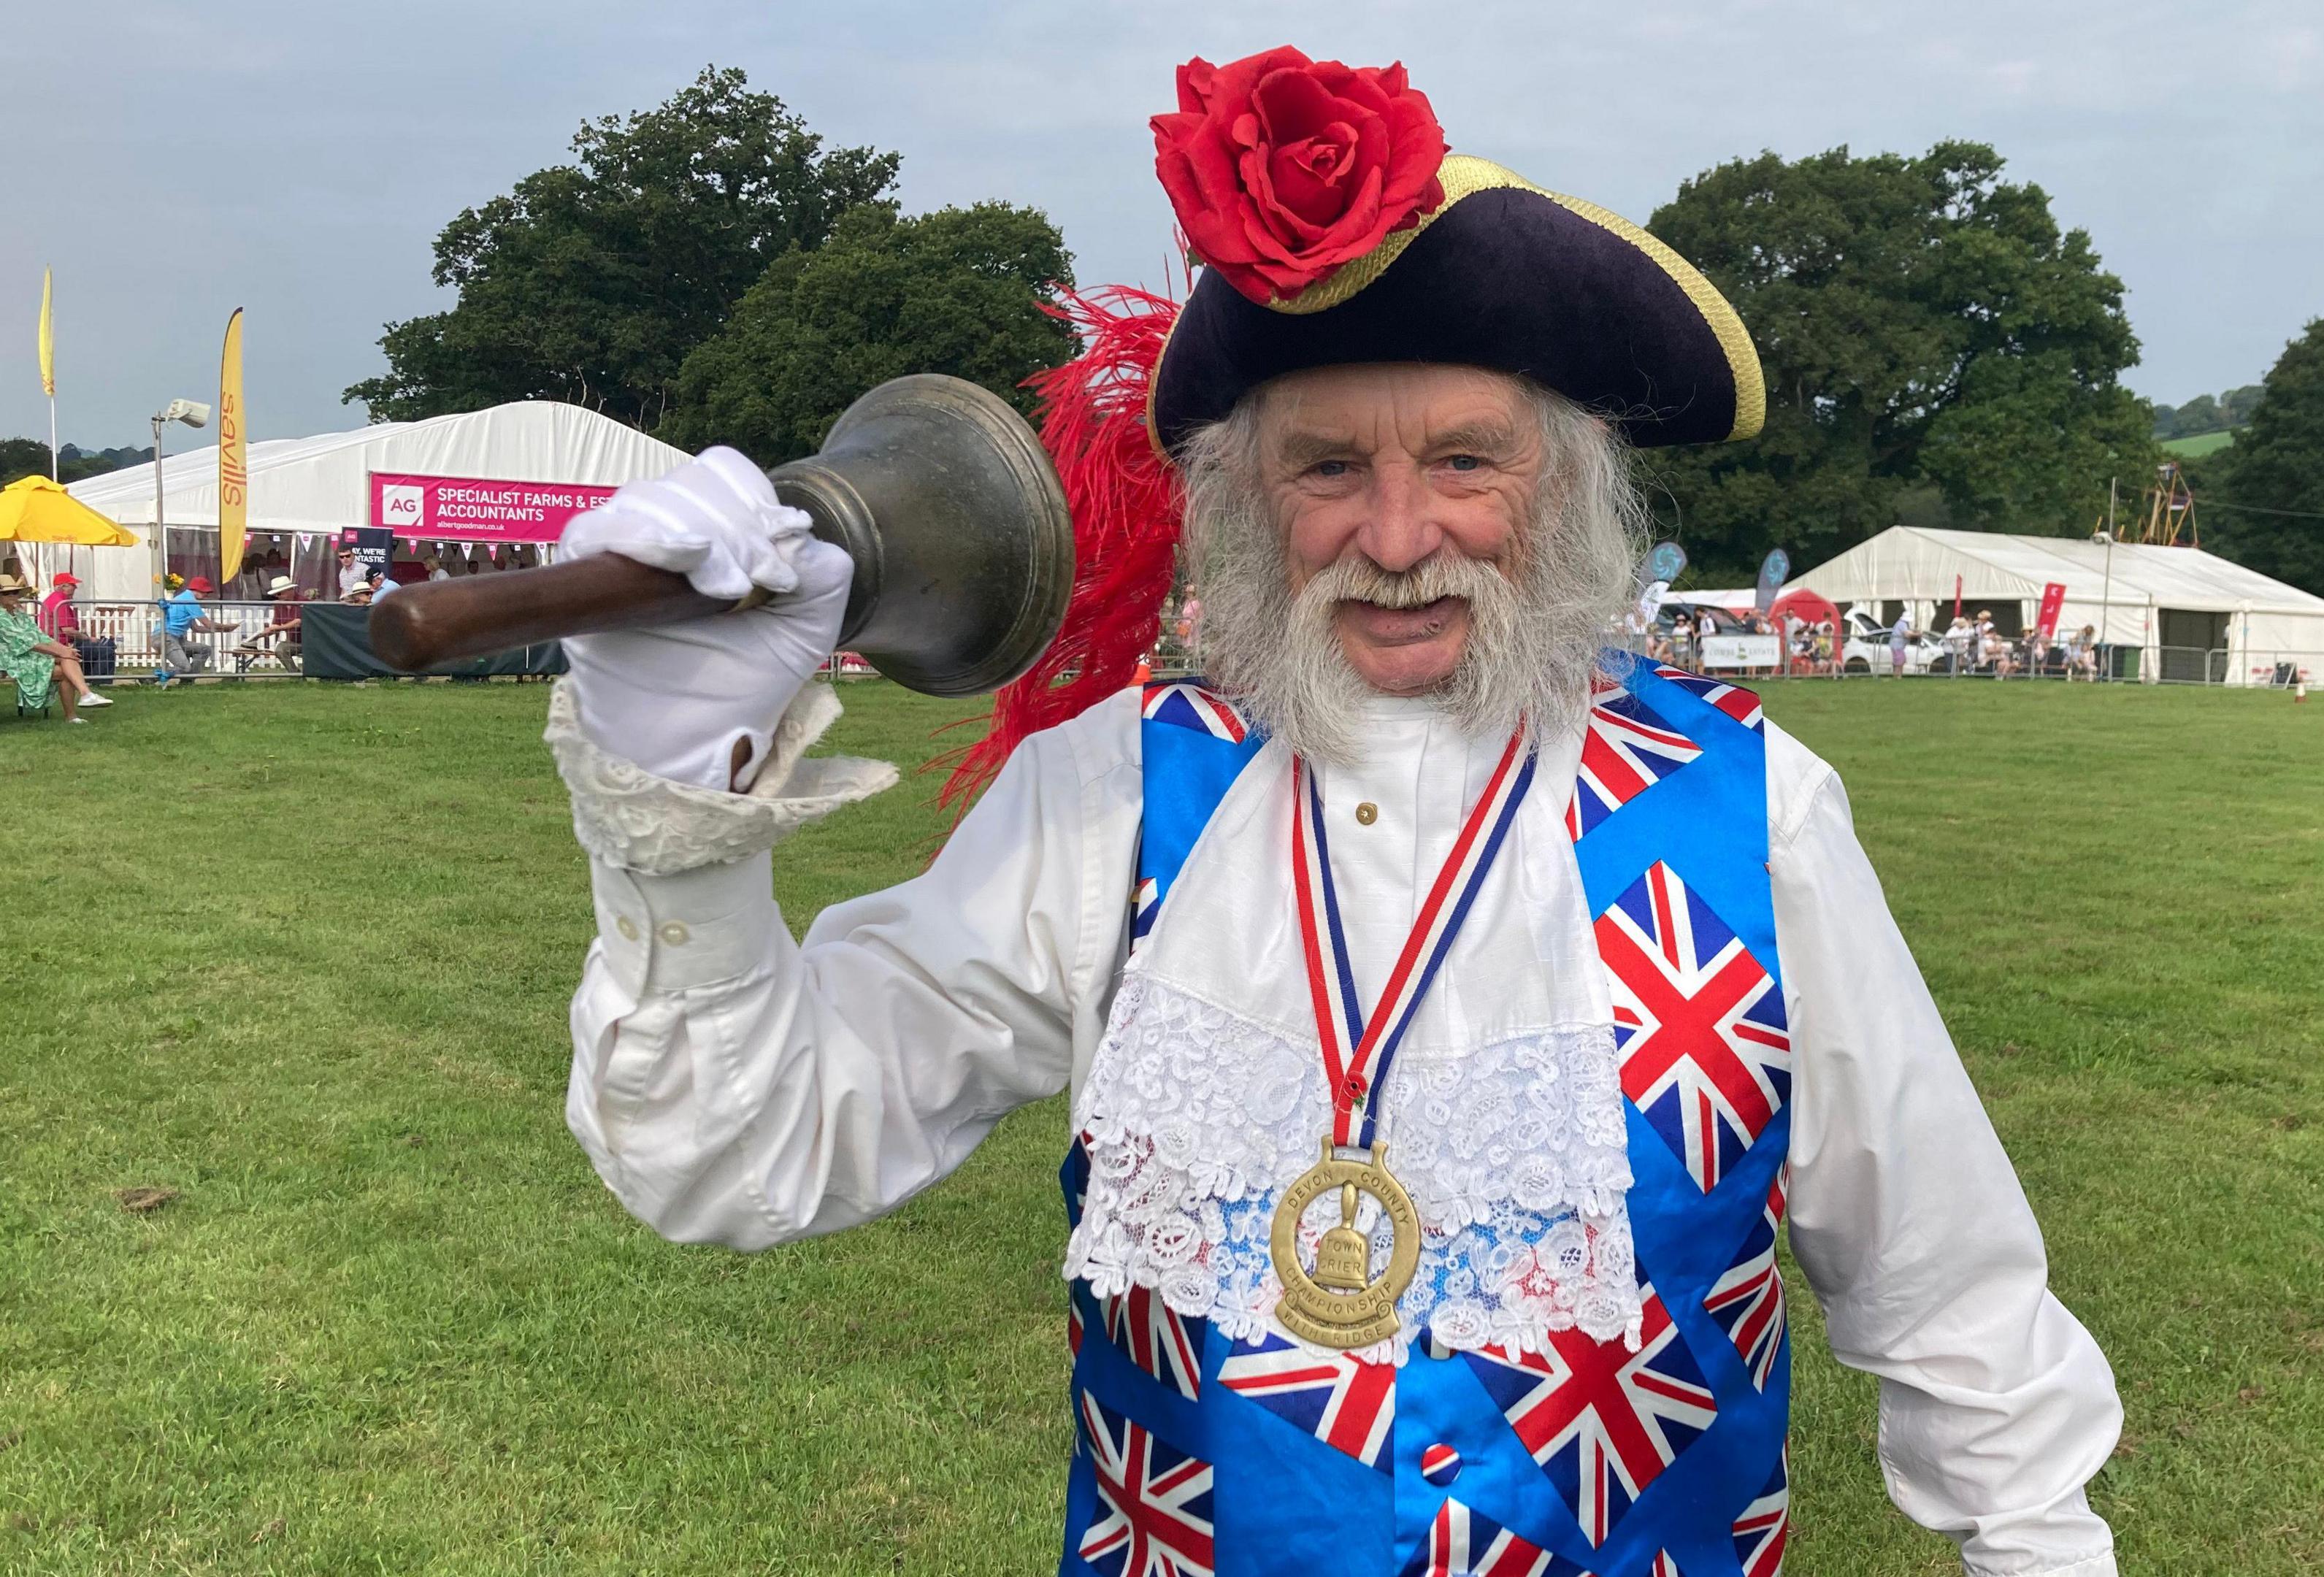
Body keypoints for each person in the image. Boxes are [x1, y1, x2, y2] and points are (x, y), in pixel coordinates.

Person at [548, 48, 2120, 1577]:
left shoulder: (1750, 815)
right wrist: (675, 807)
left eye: (1462, 459)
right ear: (1242, 502)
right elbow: (735, 1157)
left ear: (1567, 487)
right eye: (1324, 468)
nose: (1397, 531)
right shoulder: (1118, 792)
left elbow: (1946, 1288)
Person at [1, 573, 112, 718]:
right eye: (6, 593)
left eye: (15, 592)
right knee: (91, 654)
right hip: (12, 659)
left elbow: (39, 636)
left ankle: (84, 699)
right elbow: (25, 641)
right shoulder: (2, 617)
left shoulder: (19, 614)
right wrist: (64, 650)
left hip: (34, 653)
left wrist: (64, 650)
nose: (12, 596)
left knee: (71, 657)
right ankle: (82, 700)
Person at [156, 575, 239, 687]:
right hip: (166, 638)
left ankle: (188, 681)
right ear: (197, 590)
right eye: (205, 592)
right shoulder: (190, 600)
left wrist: (222, 631)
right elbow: (207, 624)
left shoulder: (184, 598)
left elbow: (196, 628)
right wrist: (226, 627)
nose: (206, 595)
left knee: (204, 650)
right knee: (184, 667)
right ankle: (152, 678)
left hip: (173, 638)